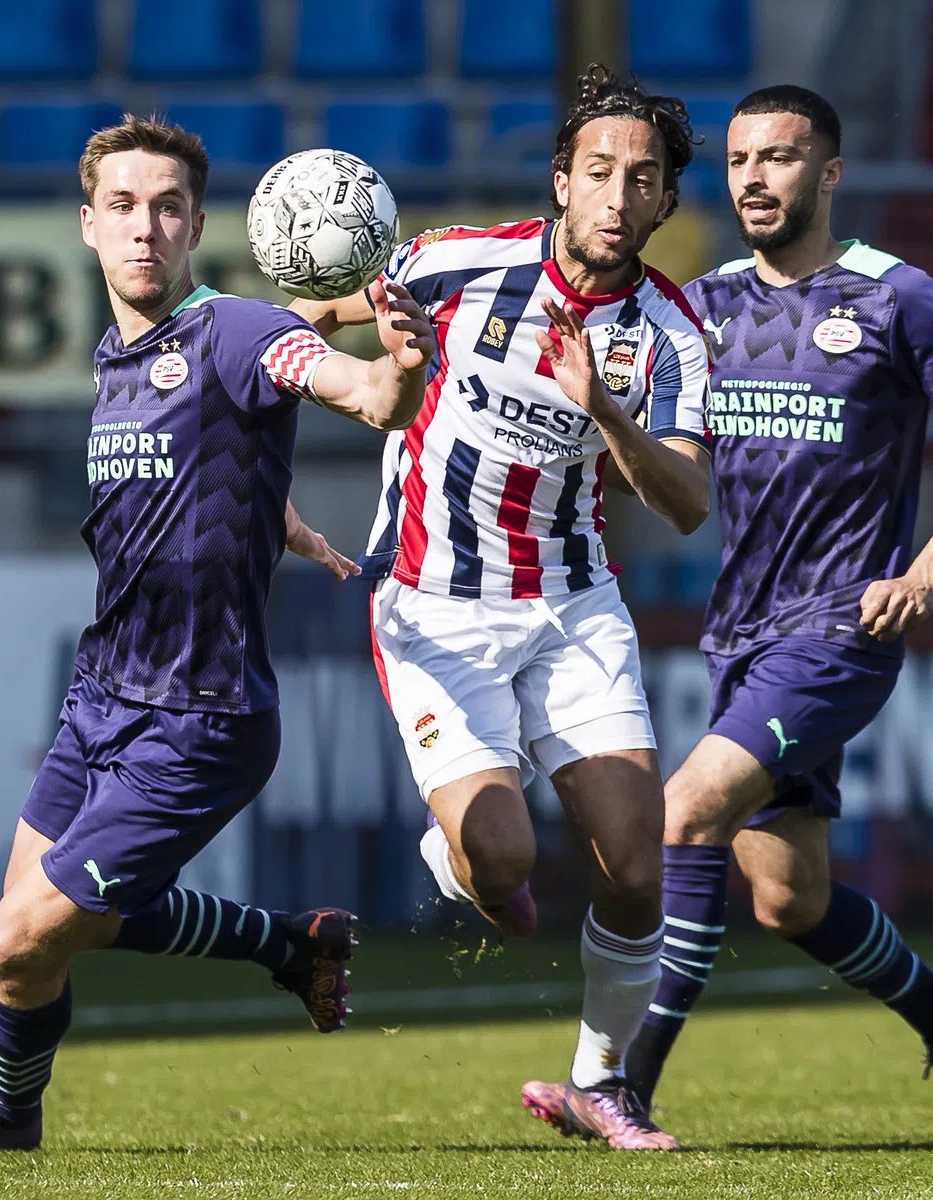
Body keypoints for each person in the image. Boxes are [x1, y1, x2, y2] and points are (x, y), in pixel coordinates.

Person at [0, 115, 436, 1154]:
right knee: (36, 934)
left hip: (203, 713)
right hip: (103, 697)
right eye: (124, 207)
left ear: (197, 227)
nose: (146, 227)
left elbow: (352, 389)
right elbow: (210, 450)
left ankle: (7, 1119)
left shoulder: (233, 330)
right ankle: (288, 944)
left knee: (16, 945)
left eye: (168, 208)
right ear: (88, 224)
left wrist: (394, 373)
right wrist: (272, 511)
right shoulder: (118, 357)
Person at [291, 67, 712, 1151]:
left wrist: (605, 412)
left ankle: (600, 1083)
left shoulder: (669, 333)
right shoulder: (451, 264)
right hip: (433, 604)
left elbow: (685, 502)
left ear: (665, 204)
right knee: (505, 865)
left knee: (635, 860)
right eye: (600, 173)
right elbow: (308, 314)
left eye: (644, 181)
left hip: (573, 605)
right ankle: (464, 860)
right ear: (561, 181)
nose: (618, 198)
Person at [619, 86, 933, 1139]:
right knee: (787, 901)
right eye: (742, 159)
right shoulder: (703, 307)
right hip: (739, 632)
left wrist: (925, 571)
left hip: (841, 628)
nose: (755, 178)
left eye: (781, 158)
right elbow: (678, 474)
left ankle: (619, 1086)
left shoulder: (899, 300)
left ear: (828, 174)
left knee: (686, 812)